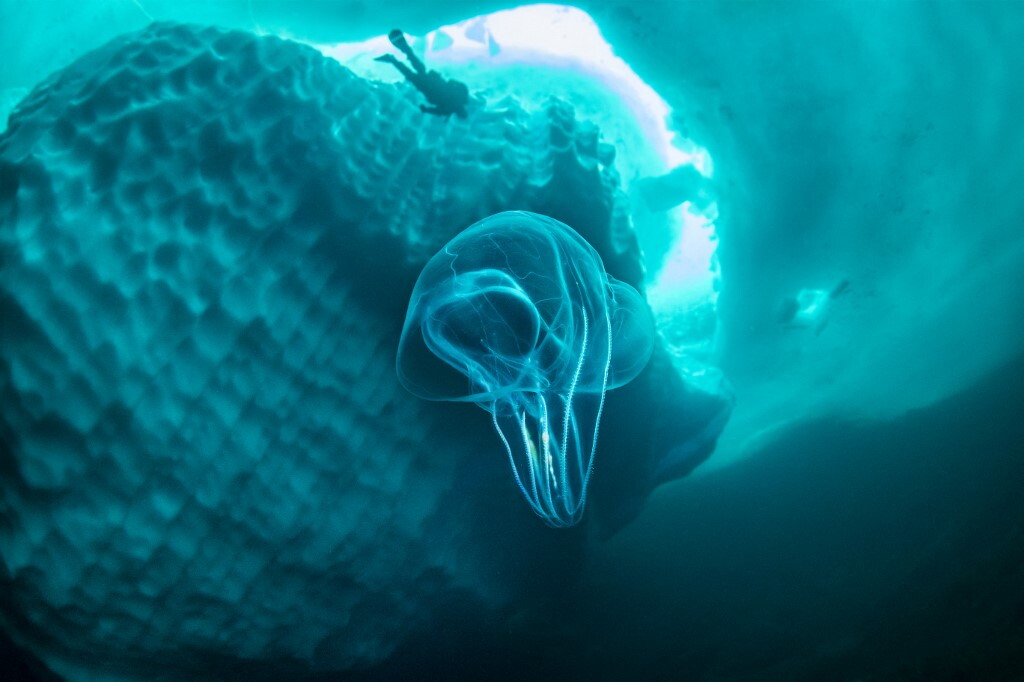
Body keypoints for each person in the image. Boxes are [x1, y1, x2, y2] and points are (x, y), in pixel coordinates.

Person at [375, 29, 470, 119]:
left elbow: (461, 86)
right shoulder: (453, 106)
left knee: (417, 67)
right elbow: (437, 111)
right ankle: (393, 58)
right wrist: (425, 109)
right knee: (410, 72)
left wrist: (450, 82)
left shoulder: (461, 99)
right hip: (428, 87)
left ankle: (401, 49)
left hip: (432, 82)